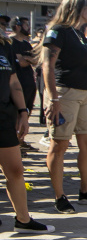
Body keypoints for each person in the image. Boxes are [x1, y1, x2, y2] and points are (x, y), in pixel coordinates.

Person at [42, 0, 87, 213]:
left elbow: (81, 66)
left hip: (85, 94)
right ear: (78, 9)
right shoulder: (58, 31)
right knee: (59, 144)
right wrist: (52, 98)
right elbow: (47, 66)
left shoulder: (78, 34)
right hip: (64, 93)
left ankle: (85, 191)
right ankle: (60, 196)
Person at [0, 29, 54, 233]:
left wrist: (23, 113)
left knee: (15, 170)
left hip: (5, 115)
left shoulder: (5, 45)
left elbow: (13, 82)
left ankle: (23, 219)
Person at [11, 17, 38, 151]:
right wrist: (28, 59)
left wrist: (27, 58)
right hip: (18, 85)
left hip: (29, 84)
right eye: (26, 24)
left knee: (26, 113)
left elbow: (36, 59)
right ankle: (15, 143)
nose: (28, 27)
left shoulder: (27, 44)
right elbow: (21, 62)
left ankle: (21, 141)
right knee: (17, 115)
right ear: (17, 26)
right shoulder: (11, 42)